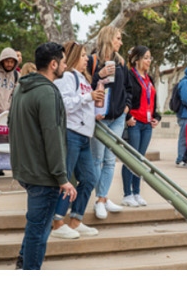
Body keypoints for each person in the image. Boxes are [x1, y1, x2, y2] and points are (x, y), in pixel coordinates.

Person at [9, 42, 78, 269]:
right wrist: (62, 178)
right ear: (53, 64)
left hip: (26, 170)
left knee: (35, 225)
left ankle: (22, 262)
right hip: (43, 175)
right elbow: (53, 136)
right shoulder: (48, 92)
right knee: (39, 232)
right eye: (64, 62)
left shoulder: (21, 87)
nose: (66, 67)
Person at [50, 41, 102, 240]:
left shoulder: (82, 78)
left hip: (84, 136)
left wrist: (94, 104)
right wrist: (88, 97)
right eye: (82, 55)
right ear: (72, 58)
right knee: (66, 180)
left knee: (89, 178)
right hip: (71, 132)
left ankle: (75, 221)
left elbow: (83, 102)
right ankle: (57, 223)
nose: (87, 58)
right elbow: (63, 104)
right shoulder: (66, 77)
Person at [86, 26, 131, 218]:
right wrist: (100, 75)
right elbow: (86, 85)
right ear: (108, 38)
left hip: (118, 117)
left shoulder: (121, 62)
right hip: (100, 118)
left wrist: (126, 106)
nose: (120, 42)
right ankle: (100, 199)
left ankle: (102, 198)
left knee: (110, 159)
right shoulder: (91, 61)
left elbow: (128, 88)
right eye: (118, 38)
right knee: (97, 159)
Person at [121, 45, 159, 207]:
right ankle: (127, 194)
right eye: (146, 57)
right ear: (136, 60)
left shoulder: (149, 78)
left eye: (150, 57)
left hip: (147, 124)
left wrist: (156, 117)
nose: (149, 61)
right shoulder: (129, 75)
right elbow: (124, 96)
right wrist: (128, 116)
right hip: (134, 122)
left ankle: (136, 192)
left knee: (140, 160)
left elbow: (153, 100)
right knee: (131, 159)